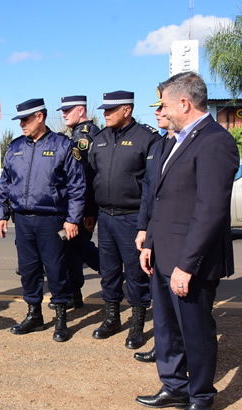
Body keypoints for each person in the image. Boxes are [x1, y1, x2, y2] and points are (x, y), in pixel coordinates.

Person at [136, 72, 239, 410]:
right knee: (166, 328)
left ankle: (202, 397)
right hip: (164, 253)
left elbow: (209, 210)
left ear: (184, 103)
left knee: (195, 331)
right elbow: (164, 200)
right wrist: (149, 243)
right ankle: (174, 386)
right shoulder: (177, 140)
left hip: (190, 261)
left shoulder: (214, 141)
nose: (160, 110)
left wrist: (187, 265)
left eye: (163, 103)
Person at [0, 98, 86, 342]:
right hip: (23, 220)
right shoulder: (15, 148)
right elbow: (5, 183)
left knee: (56, 269)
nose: (22, 124)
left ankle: (60, 319)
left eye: (25, 119)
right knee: (28, 270)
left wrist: (73, 219)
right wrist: (1, 213)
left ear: (40, 117)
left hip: (52, 219)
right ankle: (34, 315)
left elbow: (77, 186)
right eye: (20, 120)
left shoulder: (63, 146)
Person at [89, 91, 162, 349]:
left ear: (127, 110)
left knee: (135, 274)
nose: (105, 114)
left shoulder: (147, 138)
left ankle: (137, 325)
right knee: (108, 272)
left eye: (111, 110)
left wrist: (144, 224)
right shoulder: (99, 139)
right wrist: (89, 214)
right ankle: (112, 318)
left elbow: (151, 187)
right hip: (105, 217)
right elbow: (92, 179)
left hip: (132, 218)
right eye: (104, 110)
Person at [133, 88, 176, 363]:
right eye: (156, 107)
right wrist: (143, 229)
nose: (157, 112)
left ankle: (179, 356)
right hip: (154, 231)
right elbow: (148, 192)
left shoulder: (189, 144)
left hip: (176, 235)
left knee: (179, 305)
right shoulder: (158, 145)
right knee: (160, 301)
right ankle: (163, 347)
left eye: (162, 107)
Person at [50, 95, 100, 310]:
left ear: (81, 110)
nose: (63, 114)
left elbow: (85, 177)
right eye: (62, 110)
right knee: (72, 249)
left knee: (74, 247)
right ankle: (74, 293)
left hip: (81, 208)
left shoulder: (84, 136)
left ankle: (109, 270)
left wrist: (87, 211)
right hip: (80, 207)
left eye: (68, 110)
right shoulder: (79, 134)